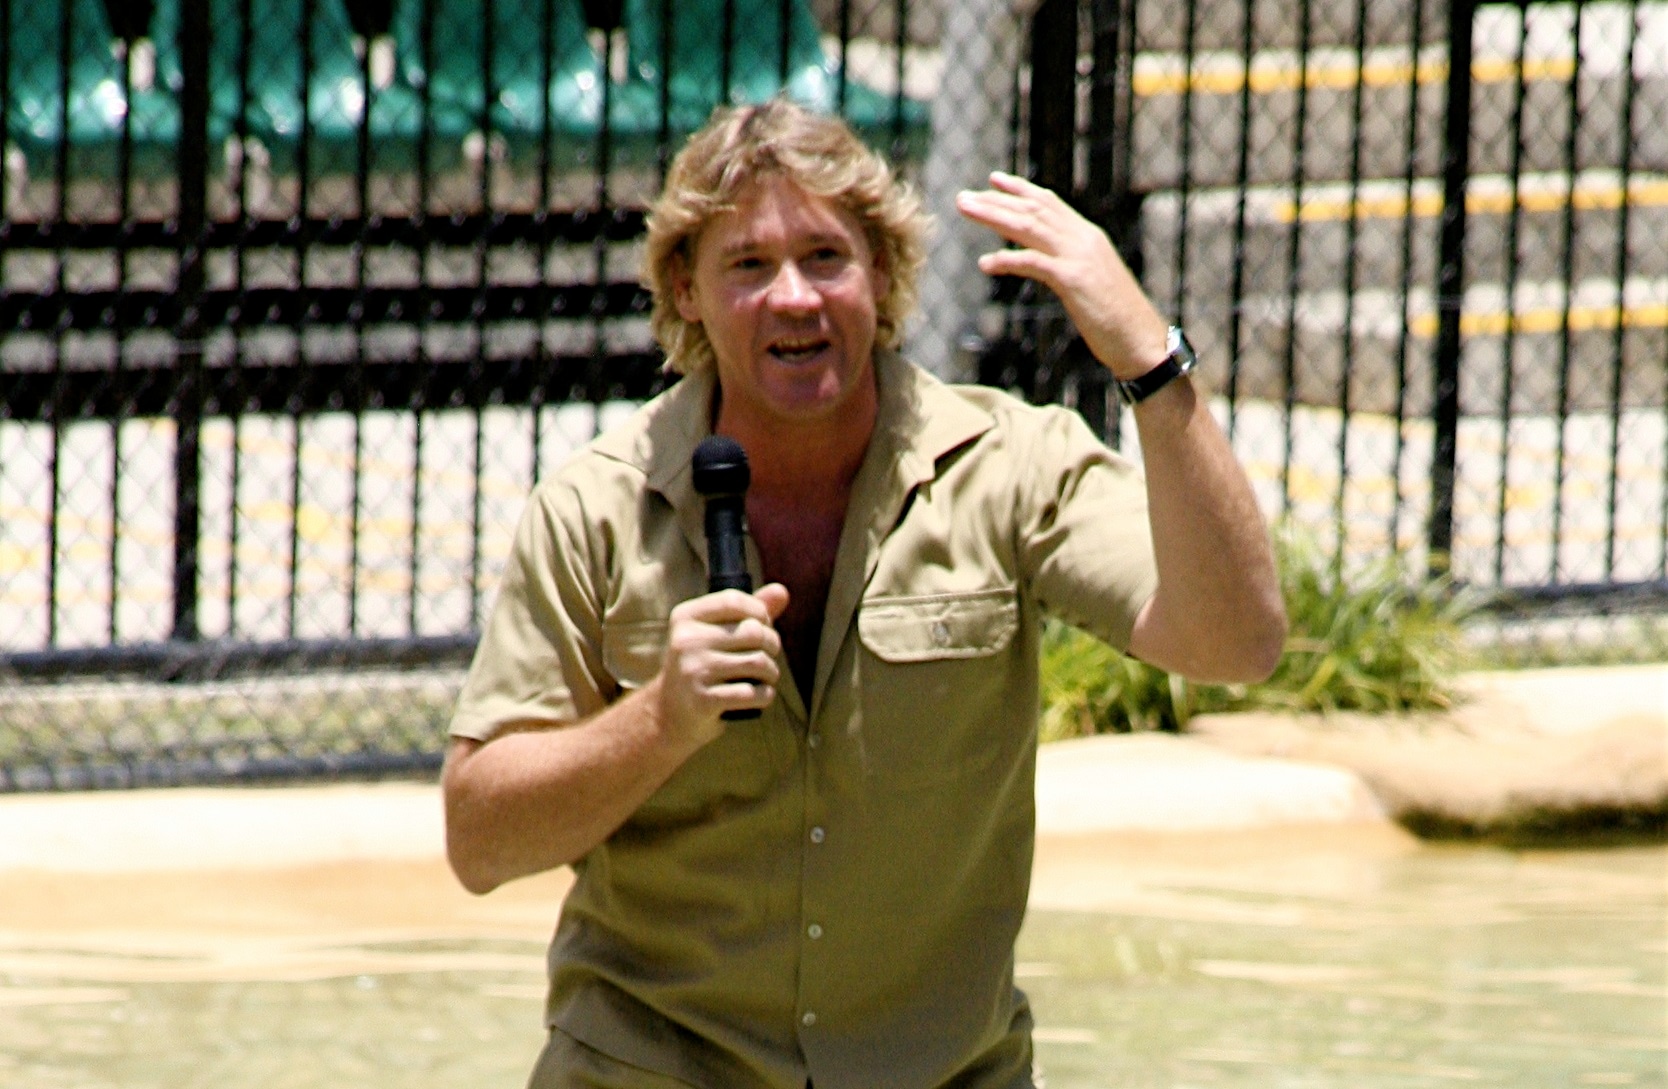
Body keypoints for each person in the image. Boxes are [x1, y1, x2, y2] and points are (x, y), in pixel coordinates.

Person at [441, 99, 1286, 1089]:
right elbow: (480, 842)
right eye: (749, 265)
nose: (794, 298)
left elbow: (1235, 643)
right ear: (686, 289)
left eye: (825, 258)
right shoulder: (596, 506)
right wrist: (660, 721)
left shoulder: (1012, 466)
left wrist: (1148, 359)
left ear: (881, 271)